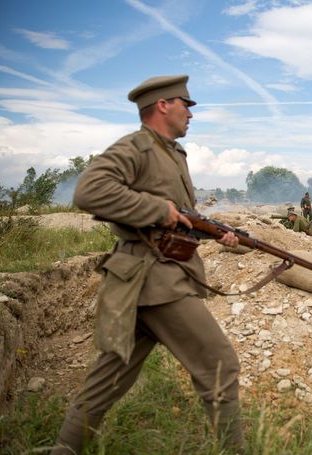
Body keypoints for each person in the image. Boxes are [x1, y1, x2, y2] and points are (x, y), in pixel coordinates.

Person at [51, 75, 245, 454]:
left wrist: (214, 234)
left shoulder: (172, 153)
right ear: (162, 105)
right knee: (220, 365)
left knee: (107, 381)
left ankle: (64, 449)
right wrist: (158, 210)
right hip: (155, 280)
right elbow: (89, 191)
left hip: (142, 281)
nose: (190, 113)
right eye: (185, 105)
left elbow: (176, 219)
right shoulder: (136, 148)